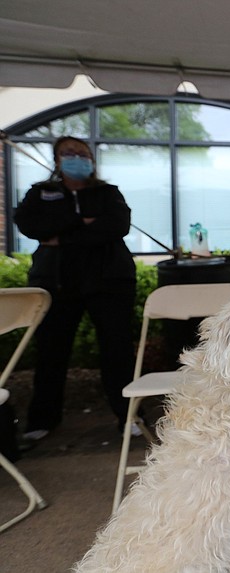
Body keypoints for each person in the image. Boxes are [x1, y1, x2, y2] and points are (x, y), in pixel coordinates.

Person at [14, 136, 137, 439]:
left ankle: (129, 416)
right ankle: (43, 419)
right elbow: (31, 225)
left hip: (109, 282)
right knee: (51, 352)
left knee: (117, 352)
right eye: (68, 153)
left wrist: (63, 236)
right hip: (56, 282)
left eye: (82, 153)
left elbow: (117, 225)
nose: (76, 158)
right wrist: (84, 222)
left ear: (92, 160)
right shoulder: (40, 193)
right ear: (56, 160)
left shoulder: (108, 193)